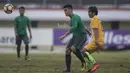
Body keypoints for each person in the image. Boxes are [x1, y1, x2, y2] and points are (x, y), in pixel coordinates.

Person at [59, 4, 88, 72]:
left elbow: (74, 27)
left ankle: (84, 63)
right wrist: (89, 32)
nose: (65, 12)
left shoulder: (75, 17)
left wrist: (64, 35)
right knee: (67, 51)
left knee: (73, 49)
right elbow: (81, 25)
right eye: (64, 11)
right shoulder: (71, 19)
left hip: (81, 36)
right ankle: (68, 69)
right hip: (75, 36)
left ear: (71, 9)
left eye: (66, 10)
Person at [81, 6, 104, 73]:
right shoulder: (97, 19)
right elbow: (97, 31)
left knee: (83, 51)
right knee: (86, 54)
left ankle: (95, 64)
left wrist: (97, 43)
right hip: (99, 40)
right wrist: (88, 32)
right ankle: (89, 69)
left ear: (93, 12)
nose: (88, 13)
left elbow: (96, 31)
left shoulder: (94, 19)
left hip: (96, 40)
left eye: (89, 12)